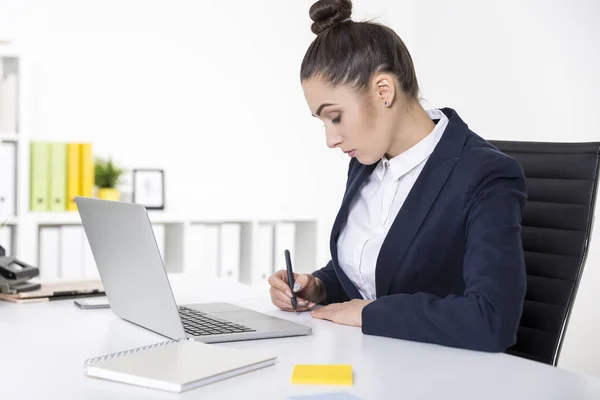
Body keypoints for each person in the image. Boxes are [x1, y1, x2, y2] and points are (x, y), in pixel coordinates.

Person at [268, 0, 527, 353]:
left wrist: (373, 314)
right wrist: (318, 285)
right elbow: (382, 269)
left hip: (444, 376)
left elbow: (491, 319)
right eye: (323, 122)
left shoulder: (485, 175)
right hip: (374, 361)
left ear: (383, 91)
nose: (331, 140)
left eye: (336, 117)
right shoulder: (366, 162)